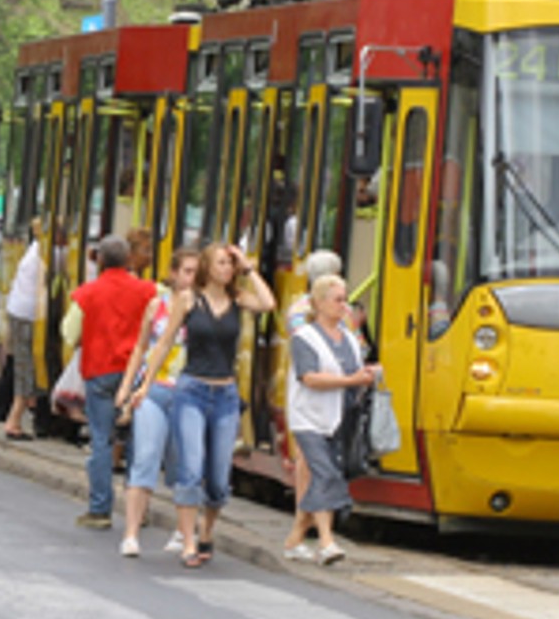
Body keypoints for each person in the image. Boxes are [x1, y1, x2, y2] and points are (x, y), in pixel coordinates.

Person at [140, 241, 276, 566]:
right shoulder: (188, 300)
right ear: (206, 266)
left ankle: (206, 531)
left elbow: (268, 304)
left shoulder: (238, 299)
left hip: (226, 396)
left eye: (230, 265)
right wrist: (145, 384)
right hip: (191, 391)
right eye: (220, 263)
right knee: (191, 466)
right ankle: (188, 541)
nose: (226, 269)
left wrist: (249, 268)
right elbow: (164, 343)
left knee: (217, 477)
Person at [285, 273, 382, 564]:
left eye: (346, 300)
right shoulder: (305, 338)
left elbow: (354, 372)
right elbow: (309, 378)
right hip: (309, 418)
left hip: (340, 417)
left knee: (326, 475)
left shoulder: (350, 339)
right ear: (320, 303)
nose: (345, 306)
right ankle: (327, 541)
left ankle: (296, 536)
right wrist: (351, 380)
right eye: (339, 300)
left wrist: (367, 375)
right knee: (326, 474)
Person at [65, 235, 156, 531]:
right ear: (129, 259)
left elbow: (69, 333)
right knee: (136, 442)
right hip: (136, 373)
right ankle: (137, 510)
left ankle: (100, 510)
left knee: (101, 440)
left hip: (99, 371)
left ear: (99, 260)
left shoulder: (87, 293)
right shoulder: (148, 291)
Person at [114, 247, 198, 558]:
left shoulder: (204, 308)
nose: (192, 278)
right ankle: (131, 533)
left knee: (184, 463)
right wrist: (127, 385)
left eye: (197, 272)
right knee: (146, 456)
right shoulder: (157, 305)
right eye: (187, 271)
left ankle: (182, 530)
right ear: (174, 274)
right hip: (154, 390)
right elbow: (141, 347)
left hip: (189, 393)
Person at [279, 250, 343, 556]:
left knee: (314, 467)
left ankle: (298, 535)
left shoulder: (315, 310)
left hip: (331, 404)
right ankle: (321, 539)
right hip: (310, 402)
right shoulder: (308, 314)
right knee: (312, 467)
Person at [0, 220, 45, 441]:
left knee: (22, 364)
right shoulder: (42, 254)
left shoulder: (34, 249)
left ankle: (15, 415)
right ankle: (14, 421)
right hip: (28, 314)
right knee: (25, 367)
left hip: (18, 310)